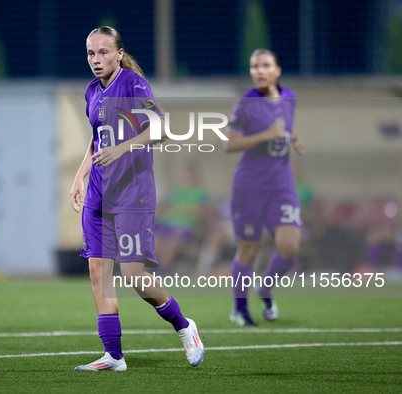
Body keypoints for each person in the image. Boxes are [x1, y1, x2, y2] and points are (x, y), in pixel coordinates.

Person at [69, 26, 204, 371]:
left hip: (132, 194)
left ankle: (184, 326)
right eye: (90, 54)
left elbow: (159, 129)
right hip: (98, 194)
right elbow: (96, 140)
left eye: (103, 52)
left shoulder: (132, 83)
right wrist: (79, 177)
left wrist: (122, 148)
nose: (96, 60)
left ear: (118, 53)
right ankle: (113, 355)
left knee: (134, 275)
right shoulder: (91, 92)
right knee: (99, 271)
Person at [224, 48, 305, 326]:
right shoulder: (245, 104)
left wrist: (293, 137)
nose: (259, 71)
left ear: (277, 70)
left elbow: (285, 125)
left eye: (265, 65)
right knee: (248, 250)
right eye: (254, 66)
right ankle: (240, 309)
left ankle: (265, 287)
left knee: (289, 247)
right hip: (249, 187)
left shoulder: (289, 98)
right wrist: (265, 135)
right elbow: (231, 144)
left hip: (282, 185)